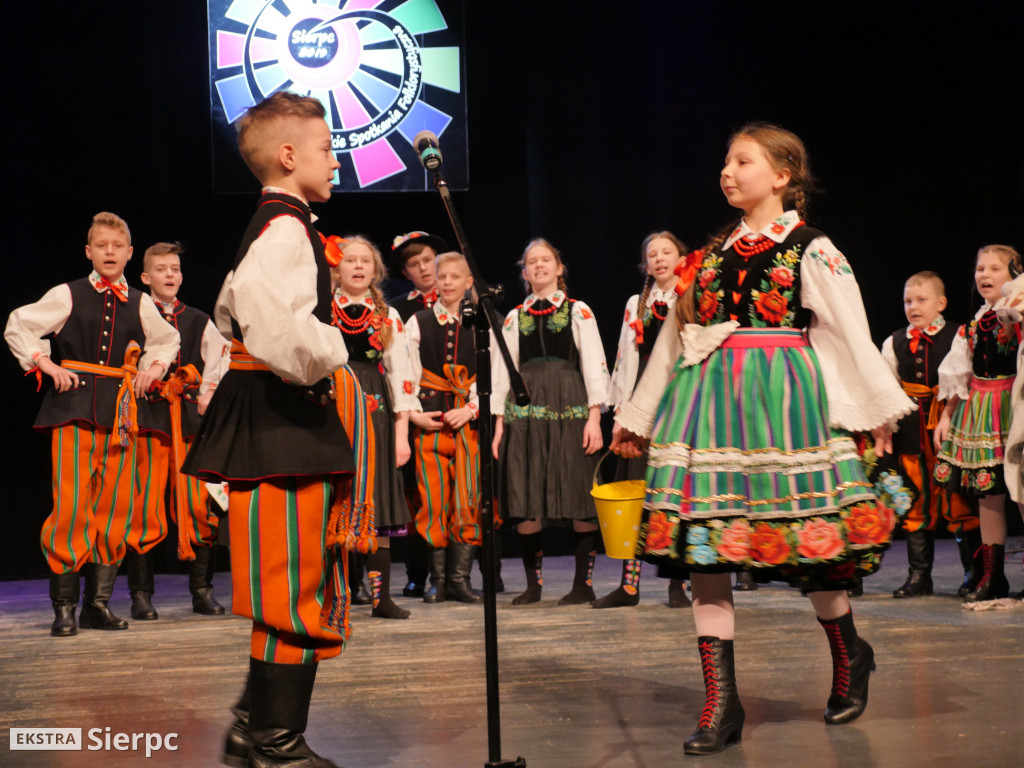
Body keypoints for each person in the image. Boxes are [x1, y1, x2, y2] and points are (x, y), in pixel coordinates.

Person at [611, 122, 913, 754]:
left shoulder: (810, 247)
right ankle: (722, 702)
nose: (727, 171)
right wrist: (638, 416)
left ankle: (849, 656)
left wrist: (875, 408)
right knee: (707, 552)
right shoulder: (711, 256)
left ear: (781, 176)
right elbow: (676, 338)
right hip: (711, 409)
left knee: (813, 549)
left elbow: (849, 331)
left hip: (785, 408)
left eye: (741, 161)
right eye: (725, 161)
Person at [180, 90, 357, 768]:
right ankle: (276, 746)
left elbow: (232, 302)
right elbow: (258, 311)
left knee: (290, 576)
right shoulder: (285, 228)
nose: (335, 160)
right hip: (279, 418)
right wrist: (331, 350)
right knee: (288, 582)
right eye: (325, 147)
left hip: (277, 417)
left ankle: (255, 727)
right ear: (289, 156)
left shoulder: (281, 222)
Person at [4, 211, 179, 636]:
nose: (109, 252)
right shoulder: (68, 294)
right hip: (73, 409)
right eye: (101, 245)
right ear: (89, 251)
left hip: (121, 415)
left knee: (116, 507)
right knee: (72, 504)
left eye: (117, 246)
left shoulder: (140, 301)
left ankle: (96, 605)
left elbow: (167, 338)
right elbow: (18, 323)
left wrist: (154, 369)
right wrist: (44, 361)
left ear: (129, 252)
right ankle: (64, 605)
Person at [492, 239, 610, 605]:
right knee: (526, 492)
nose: (539, 266)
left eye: (546, 260)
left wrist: (595, 417)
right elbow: (502, 372)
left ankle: (582, 584)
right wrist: (498, 423)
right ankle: (534, 585)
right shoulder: (514, 317)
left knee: (577, 491)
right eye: (532, 262)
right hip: (526, 411)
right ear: (524, 273)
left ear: (560, 268)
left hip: (569, 405)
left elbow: (594, 363)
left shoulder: (578, 311)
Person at [126, 241, 231, 620]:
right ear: (145, 277)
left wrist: (207, 395)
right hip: (148, 420)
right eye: (161, 269)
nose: (169, 275)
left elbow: (221, 360)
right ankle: (141, 594)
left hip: (188, 422)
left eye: (174, 269)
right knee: (145, 503)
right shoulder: (132, 314)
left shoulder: (198, 319)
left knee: (200, 504)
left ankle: (202, 590)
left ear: (181, 276)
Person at [597, 231, 690, 609]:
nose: (659, 259)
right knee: (636, 491)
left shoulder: (690, 294)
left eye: (667, 252)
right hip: (643, 403)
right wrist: (622, 408)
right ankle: (629, 586)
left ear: (681, 256)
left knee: (675, 493)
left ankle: (678, 584)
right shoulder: (638, 302)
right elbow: (624, 357)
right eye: (652, 254)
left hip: (679, 399)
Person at [330, 235, 415, 620]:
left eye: (366, 260)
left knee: (376, 500)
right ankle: (338, 594)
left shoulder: (387, 315)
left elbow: (401, 377)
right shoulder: (321, 311)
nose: (358, 266)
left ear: (376, 270)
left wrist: (401, 435)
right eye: (350, 260)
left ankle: (381, 598)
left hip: (375, 412)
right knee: (336, 500)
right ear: (337, 267)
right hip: (332, 408)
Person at [933, 245, 1024, 603]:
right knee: (989, 495)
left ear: (1014, 273)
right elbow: (962, 372)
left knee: (1020, 491)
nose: (984, 275)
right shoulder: (973, 323)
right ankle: (994, 576)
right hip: (981, 407)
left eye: (995, 268)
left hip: (1012, 405)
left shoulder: (1015, 312)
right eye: (980, 268)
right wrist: (946, 415)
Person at [880, 271, 975, 598]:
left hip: (950, 430)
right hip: (911, 433)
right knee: (915, 501)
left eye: (921, 300)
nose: (913, 307)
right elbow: (887, 389)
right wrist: (887, 429)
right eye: (908, 301)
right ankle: (920, 577)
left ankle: (972, 575)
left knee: (958, 500)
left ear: (941, 303)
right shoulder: (894, 342)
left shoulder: (958, 336)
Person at [406, 252, 488, 603]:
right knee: (433, 499)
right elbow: (404, 373)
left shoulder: (484, 321)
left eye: (456, 277)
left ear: (469, 282)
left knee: (467, 496)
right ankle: (437, 580)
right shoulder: (419, 321)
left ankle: (460, 579)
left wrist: (471, 409)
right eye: (442, 277)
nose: (447, 282)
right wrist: (413, 414)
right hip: (431, 420)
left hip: (467, 424)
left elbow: (494, 376)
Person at [388, 230, 446, 597]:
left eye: (428, 259)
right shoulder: (398, 308)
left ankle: (478, 571)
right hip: (415, 411)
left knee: (467, 492)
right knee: (418, 495)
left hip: (458, 408)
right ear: (405, 272)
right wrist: (411, 414)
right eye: (414, 264)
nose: (424, 268)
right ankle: (417, 573)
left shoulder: (466, 299)